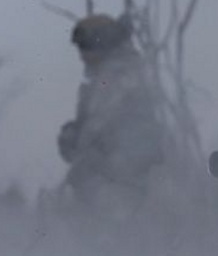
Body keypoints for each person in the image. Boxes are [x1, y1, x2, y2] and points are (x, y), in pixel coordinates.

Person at [58, 14, 164, 216]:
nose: (82, 55)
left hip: (125, 179)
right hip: (115, 176)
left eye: (85, 46)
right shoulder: (105, 76)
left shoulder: (119, 74)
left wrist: (77, 141)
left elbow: (97, 127)